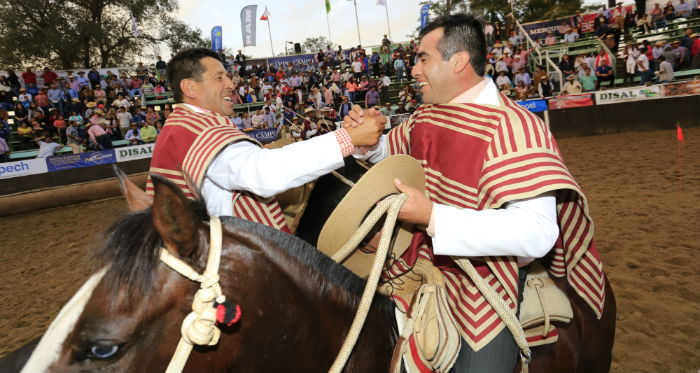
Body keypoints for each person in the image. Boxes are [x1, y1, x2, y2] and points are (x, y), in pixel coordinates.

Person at [344, 13, 606, 372]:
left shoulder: (516, 129)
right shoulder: (428, 116)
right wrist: (365, 143)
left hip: (488, 283)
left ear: (459, 61)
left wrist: (432, 217)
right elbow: (395, 150)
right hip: (417, 264)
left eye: (423, 59)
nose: (414, 70)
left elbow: (538, 233)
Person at [146, 48, 384, 226]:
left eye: (228, 77)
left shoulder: (183, 127)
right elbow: (263, 173)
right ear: (190, 88)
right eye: (220, 78)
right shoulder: (193, 130)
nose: (231, 84)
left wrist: (351, 141)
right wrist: (347, 138)